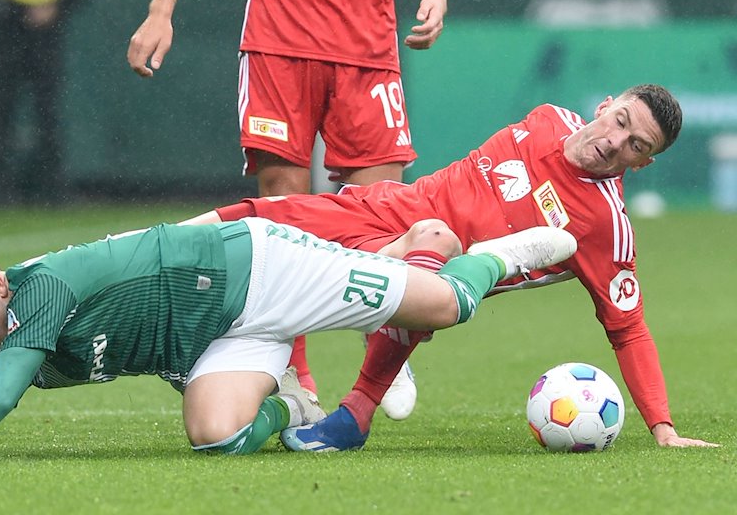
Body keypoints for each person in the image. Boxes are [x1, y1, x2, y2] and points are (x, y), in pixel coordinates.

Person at [185, 84, 720, 450]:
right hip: (395, 205)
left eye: (635, 146)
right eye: (620, 121)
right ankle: (156, 246)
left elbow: (628, 328)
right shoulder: (548, 117)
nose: (614, 141)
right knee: (274, 220)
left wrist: (663, 427)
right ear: (605, 105)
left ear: (643, 163)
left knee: (408, 286)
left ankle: (356, 411)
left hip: (439, 271)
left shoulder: (605, 224)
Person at [0, 218, 575, 460]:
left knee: (443, 308)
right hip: (215, 343)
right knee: (216, 440)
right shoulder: (17, 339)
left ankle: (498, 252)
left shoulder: (41, 290)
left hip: (257, 272)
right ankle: (295, 407)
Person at [128, 0, 450, 404]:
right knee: (282, 209)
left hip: (367, 47)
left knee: (383, 208)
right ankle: (292, 369)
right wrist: (161, 10)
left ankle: (383, 340)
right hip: (278, 41)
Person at [0, 0, 94, 205]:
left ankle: (50, 189)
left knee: (46, 113)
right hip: (6, 24)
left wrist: (57, 5)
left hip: (44, 33)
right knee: (2, 113)